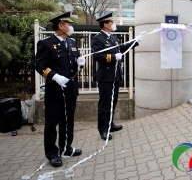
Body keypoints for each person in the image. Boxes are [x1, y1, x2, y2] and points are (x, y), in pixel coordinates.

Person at [35, 12, 85, 167]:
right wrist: (55, 76)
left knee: (68, 121)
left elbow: (72, 65)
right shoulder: (46, 43)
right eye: (68, 24)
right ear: (60, 26)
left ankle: (66, 147)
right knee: (52, 123)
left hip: (70, 89)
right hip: (55, 91)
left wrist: (80, 63)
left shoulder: (71, 42)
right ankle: (52, 153)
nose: (71, 27)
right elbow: (40, 65)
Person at [92, 12, 141, 141]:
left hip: (115, 75)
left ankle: (110, 124)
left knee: (112, 102)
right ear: (106, 24)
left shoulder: (112, 38)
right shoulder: (98, 39)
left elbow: (121, 47)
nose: (114, 24)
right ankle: (103, 129)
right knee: (105, 104)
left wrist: (135, 42)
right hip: (105, 76)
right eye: (112, 22)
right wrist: (113, 57)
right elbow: (97, 56)